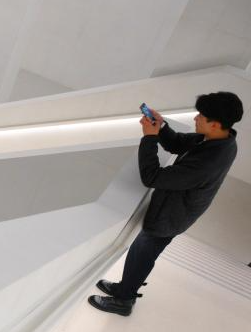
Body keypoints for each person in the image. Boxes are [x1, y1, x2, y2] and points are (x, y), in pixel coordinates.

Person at [90, 92, 242, 316]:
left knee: (142, 254)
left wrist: (149, 138)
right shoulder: (218, 138)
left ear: (215, 124)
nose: (196, 118)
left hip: (172, 215)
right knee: (142, 251)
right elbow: (178, 143)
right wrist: (160, 127)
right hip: (175, 208)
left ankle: (124, 300)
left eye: (201, 116)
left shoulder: (210, 160)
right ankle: (124, 288)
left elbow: (152, 177)